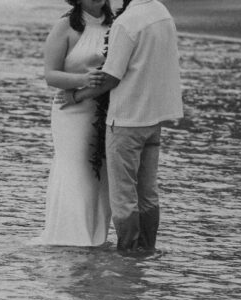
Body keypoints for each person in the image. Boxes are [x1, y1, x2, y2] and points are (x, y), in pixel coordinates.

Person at [59, 0, 183, 252]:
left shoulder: (127, 22)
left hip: (126, 119)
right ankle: (147, 251)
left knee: (123, 196)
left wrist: (76, 96)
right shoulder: (161, 12)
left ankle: (127, 255)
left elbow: (110, 78)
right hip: (154, 119)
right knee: (148, 193)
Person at [36, 0, 114, 247]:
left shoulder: (117, 25)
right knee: (75, 171)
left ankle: (95, 237)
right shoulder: (65, 26)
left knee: (101, 173)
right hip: (70, 109)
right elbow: (50, 75)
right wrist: (83, 79)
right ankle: (71, 237)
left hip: (105, 109)